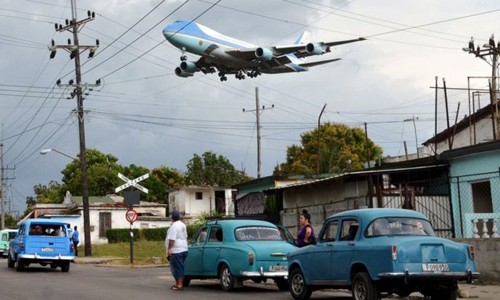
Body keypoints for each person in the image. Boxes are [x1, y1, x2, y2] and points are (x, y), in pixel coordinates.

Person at [165, 210, 188, 291]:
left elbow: (172, 239)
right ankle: (178, 283)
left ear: (172, 217)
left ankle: (179, 284)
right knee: (178, 267)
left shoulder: (174, 226)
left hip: (176, 250)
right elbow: (185, 236)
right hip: (184, 248)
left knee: (177, 268)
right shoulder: (183, 225)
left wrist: (169, 249)